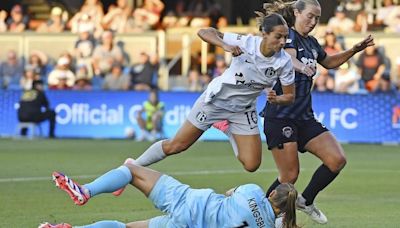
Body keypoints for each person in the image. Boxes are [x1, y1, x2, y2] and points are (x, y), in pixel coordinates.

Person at [124, 13, 295, 176]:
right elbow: (204, 32)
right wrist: (224, 45)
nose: (282, 42)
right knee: (177, 145)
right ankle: (132, 166)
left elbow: (290, 97)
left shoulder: (284, 62)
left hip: (244, 108)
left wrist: (277, 99)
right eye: (278, 37)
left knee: (252, 164)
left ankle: (227, 128)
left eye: (285, 37)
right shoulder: (246, 43)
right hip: (217, 101)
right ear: (264, 34)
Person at [258, 0, 374, 224]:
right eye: (309, 16)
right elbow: (288, 58)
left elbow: (328, 62)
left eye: (317, 18)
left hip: (304, 117)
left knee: (336, 159)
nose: (313, 22)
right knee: (289, 176)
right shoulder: (287, 36)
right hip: (281, 115)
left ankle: (306, 200)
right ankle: (260, 214)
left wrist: (354, 50)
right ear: (296, 13)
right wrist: (302, 67)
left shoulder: (311, 43)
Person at [40, 160, 299, 228]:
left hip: (190, 202)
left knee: (131, 171)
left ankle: (85, 191)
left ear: (273, 192)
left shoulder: (253, 191)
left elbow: (229, 192)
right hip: (188, 226)